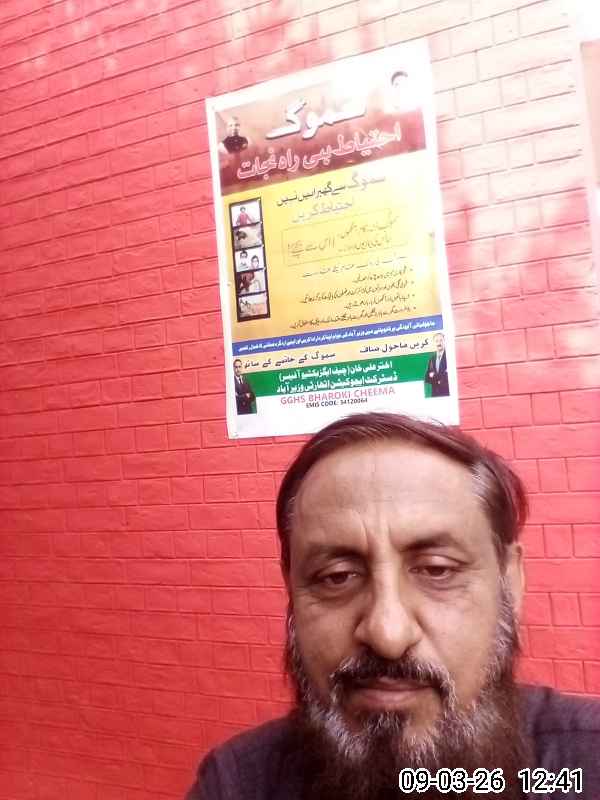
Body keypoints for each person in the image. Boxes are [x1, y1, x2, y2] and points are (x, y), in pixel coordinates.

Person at [185, 412, 600, 800]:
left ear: (511, 583)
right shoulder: (235, 785)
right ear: (291, 590)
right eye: (337, 576)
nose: (388, 634)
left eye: (437, 570)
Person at [424, 332, 449, 397]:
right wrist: (439, 379)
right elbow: (427, 378)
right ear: (434, 343)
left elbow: (448, 376)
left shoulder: (449, 356)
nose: (439, 343)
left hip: (447, 393)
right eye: (436, 341)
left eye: (441, 340)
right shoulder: (432, 359)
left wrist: (434, 375)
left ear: (444, 341)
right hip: (435, 394)